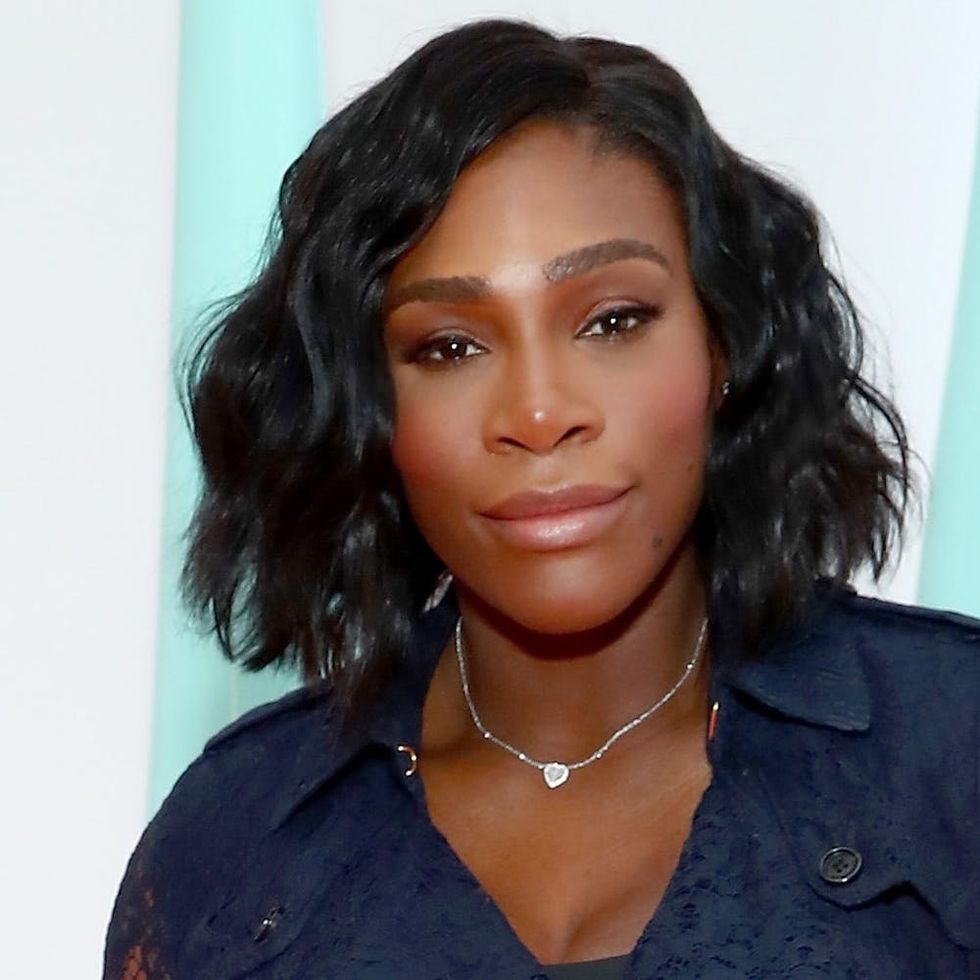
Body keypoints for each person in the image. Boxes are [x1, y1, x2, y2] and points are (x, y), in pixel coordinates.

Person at [103, 19, 979, 979]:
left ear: (725, 345)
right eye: (449, 347)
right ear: (367, 409)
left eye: (612, 321)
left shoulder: (951, 749)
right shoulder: (226, 850)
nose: (537, 413)